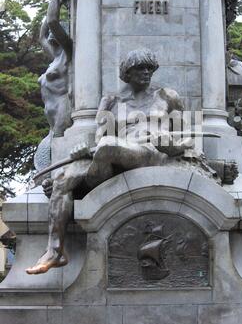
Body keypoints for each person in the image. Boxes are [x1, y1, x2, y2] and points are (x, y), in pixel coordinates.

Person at [26, 49, 192, 275]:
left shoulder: (166, 96)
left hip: (151, 152)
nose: (146, 73)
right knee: (63, 178)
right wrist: (82, 149)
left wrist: (172, 145)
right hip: (113, 157)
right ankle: (55, 251)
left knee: (107, 146)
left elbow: (187, 137)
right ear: (127, 73)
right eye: (140, 68)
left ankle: (82, 186)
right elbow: (98, 140)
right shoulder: (111, 101)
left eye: (149, 68)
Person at [39, 0, 72, 137]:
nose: (53, 34)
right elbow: (42, 36)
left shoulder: (68, 53)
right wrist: (57, 1)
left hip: (62, 109)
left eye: (58, 31)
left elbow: (53, 21)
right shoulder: (55, 57)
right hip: (51, 116)